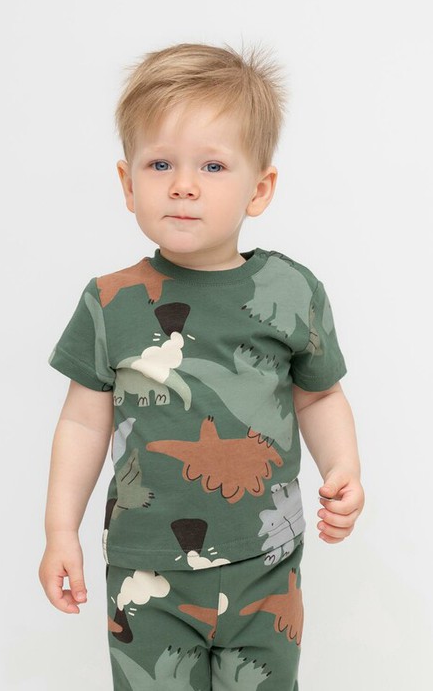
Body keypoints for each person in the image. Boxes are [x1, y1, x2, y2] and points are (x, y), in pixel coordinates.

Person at [39, 42, 365, 690]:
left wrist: (343, 468)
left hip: (265, 564)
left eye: (213, 166)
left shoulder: (290, 292)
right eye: (160, 163)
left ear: (259, 189)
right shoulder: (109, 302)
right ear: (128, 184)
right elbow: (81, 423)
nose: (183, 185)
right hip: (147, 568)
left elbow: (320, 396)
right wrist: (59, 531)